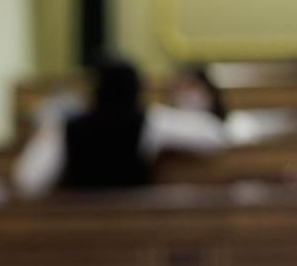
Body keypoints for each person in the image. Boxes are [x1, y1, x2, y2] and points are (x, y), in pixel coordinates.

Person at [12, 58, 228, 196]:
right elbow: (214, 134)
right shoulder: (151, 122)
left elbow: (29, 181)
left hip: (80, 224)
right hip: (135, 223)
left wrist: (45, 130)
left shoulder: (67, 127)